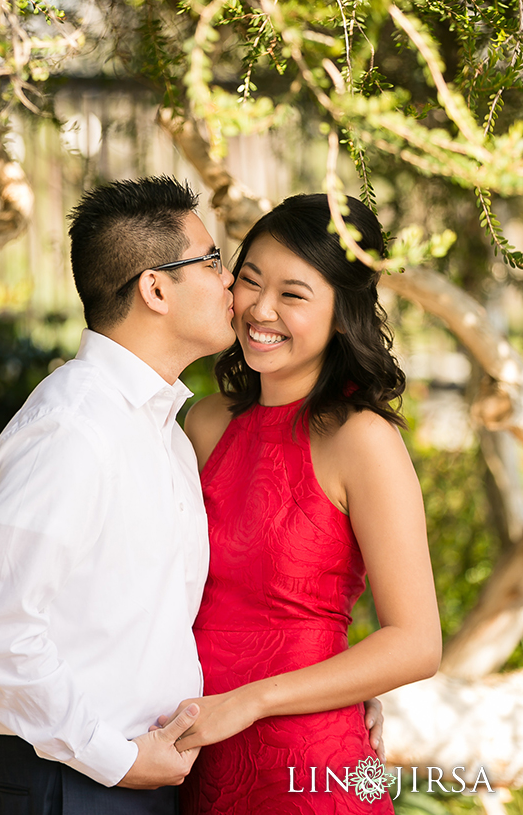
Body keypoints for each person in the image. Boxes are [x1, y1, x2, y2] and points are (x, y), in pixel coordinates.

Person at [0, 176, 234, 814]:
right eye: (212, 261)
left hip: (134, 776)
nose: (230, 284)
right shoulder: (73, 429)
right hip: (70, 778)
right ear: (155, 288)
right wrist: (116, 757)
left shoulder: (162, 428)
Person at [176, 194, 440, 813]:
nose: (260, 310)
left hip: (311, 767)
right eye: (250, 281)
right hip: (188, 756)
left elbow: (416, 642)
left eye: (293, 295)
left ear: (343, 316)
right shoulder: (205, 422)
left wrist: (252, 700)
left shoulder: (363, 440)